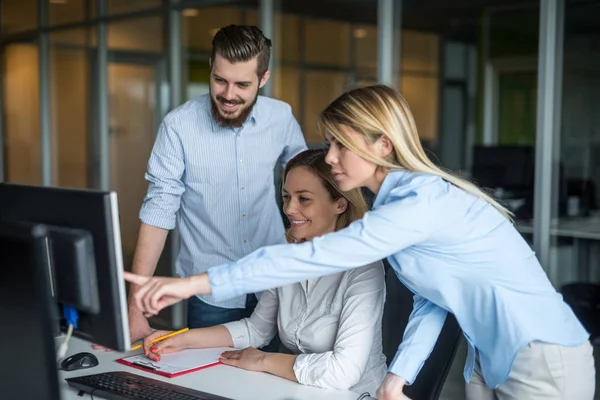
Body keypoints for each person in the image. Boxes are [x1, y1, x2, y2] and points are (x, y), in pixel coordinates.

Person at [125, 85, 596, 400]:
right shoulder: (398, 208)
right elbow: (435, 303)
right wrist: (397, 378)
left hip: (542, 356)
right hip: (488, 357)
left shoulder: (419, 203)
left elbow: (322, 254)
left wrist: (191, 285)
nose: (330, 158)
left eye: (339, 145)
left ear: (382, 145)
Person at [140, 149, 387, 396]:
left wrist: (262, 361)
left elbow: (343, 371)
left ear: (339, 203)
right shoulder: (286, 254)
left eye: (303, 199)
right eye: (286, 197)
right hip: (298, 390)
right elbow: (256, 330)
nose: (289, 209)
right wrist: (179, 340)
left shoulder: (364, 268)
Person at [122, 25, 307, 343]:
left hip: (274, 283)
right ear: (210, 67)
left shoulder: (281, 117)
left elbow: (310, 182)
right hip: (211, 293)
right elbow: (159, 210)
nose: (229, 94)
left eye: (243, 84)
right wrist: (135, 307)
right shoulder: (178, 126)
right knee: (208, 386)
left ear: (263, 79)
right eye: (220, 80)